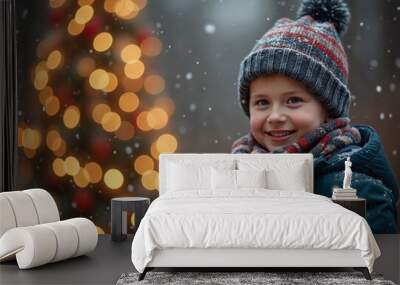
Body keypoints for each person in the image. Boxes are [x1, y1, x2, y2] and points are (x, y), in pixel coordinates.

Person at [231, 0, 399, 233]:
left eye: (293, 101)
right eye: (262, 103)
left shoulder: (357, 188)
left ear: (328, 110)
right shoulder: (235, 176)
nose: (276, 116)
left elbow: (379, 265)